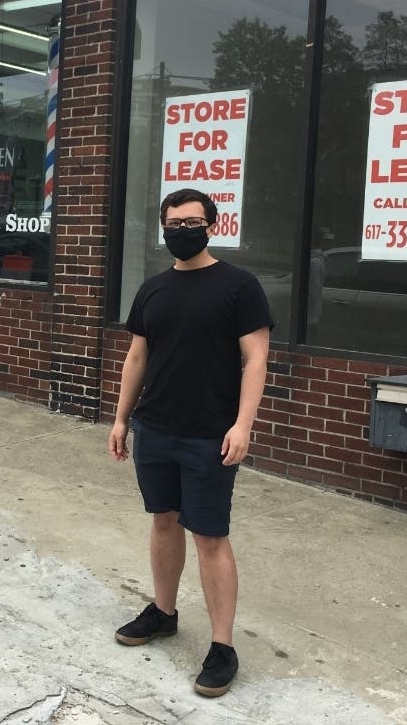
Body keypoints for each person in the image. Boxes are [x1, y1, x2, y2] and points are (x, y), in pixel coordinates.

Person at [108, 187, 272, 698]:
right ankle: (163, 612)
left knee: (210, 536)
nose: (181, 230)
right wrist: (120, 419)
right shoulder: (152, 289)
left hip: (210, 435)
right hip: (154, 428)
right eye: (173, 222)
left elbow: (257, 360)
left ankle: (223, 646)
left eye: (191, 222)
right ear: (163, 228)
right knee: (163, 520)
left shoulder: (239, 287)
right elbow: (137, 358)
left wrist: (243, 425)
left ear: (211, 225)